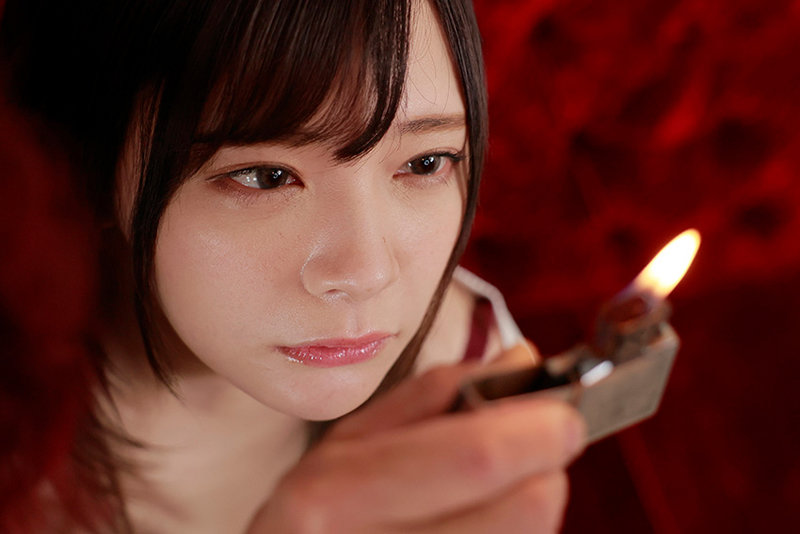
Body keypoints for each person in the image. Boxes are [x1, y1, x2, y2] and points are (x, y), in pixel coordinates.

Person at [1, 0, 587, 532]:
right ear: (83, 156)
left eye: (425, 163)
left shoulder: (475, 383)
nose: (366, 273)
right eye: (266, 176)